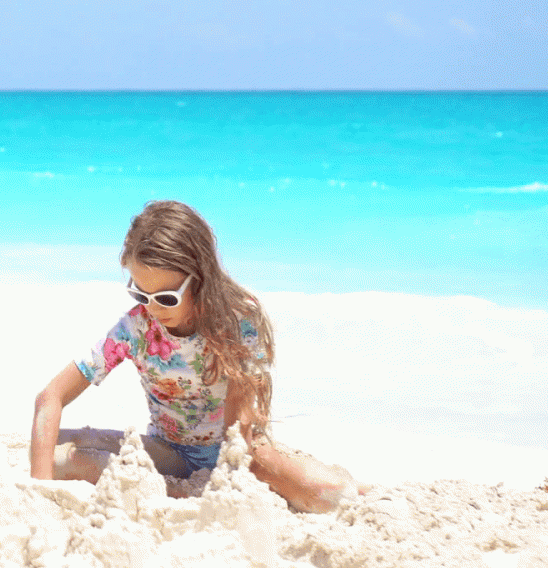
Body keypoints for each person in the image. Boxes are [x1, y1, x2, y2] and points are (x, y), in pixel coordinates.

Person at [29, 200, 360, 513]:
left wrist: (215, 486)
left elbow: (238, 434)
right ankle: (174, 488)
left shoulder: (237, 320)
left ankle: (346, 482)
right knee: (57, 452)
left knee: (331, 495)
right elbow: (50, 397)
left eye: (167, 298)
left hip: (244, 453)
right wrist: (40, 490)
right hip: (170, 451)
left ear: (199, 279)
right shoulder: (136, 328)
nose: (153, 309)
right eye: (140, 293)